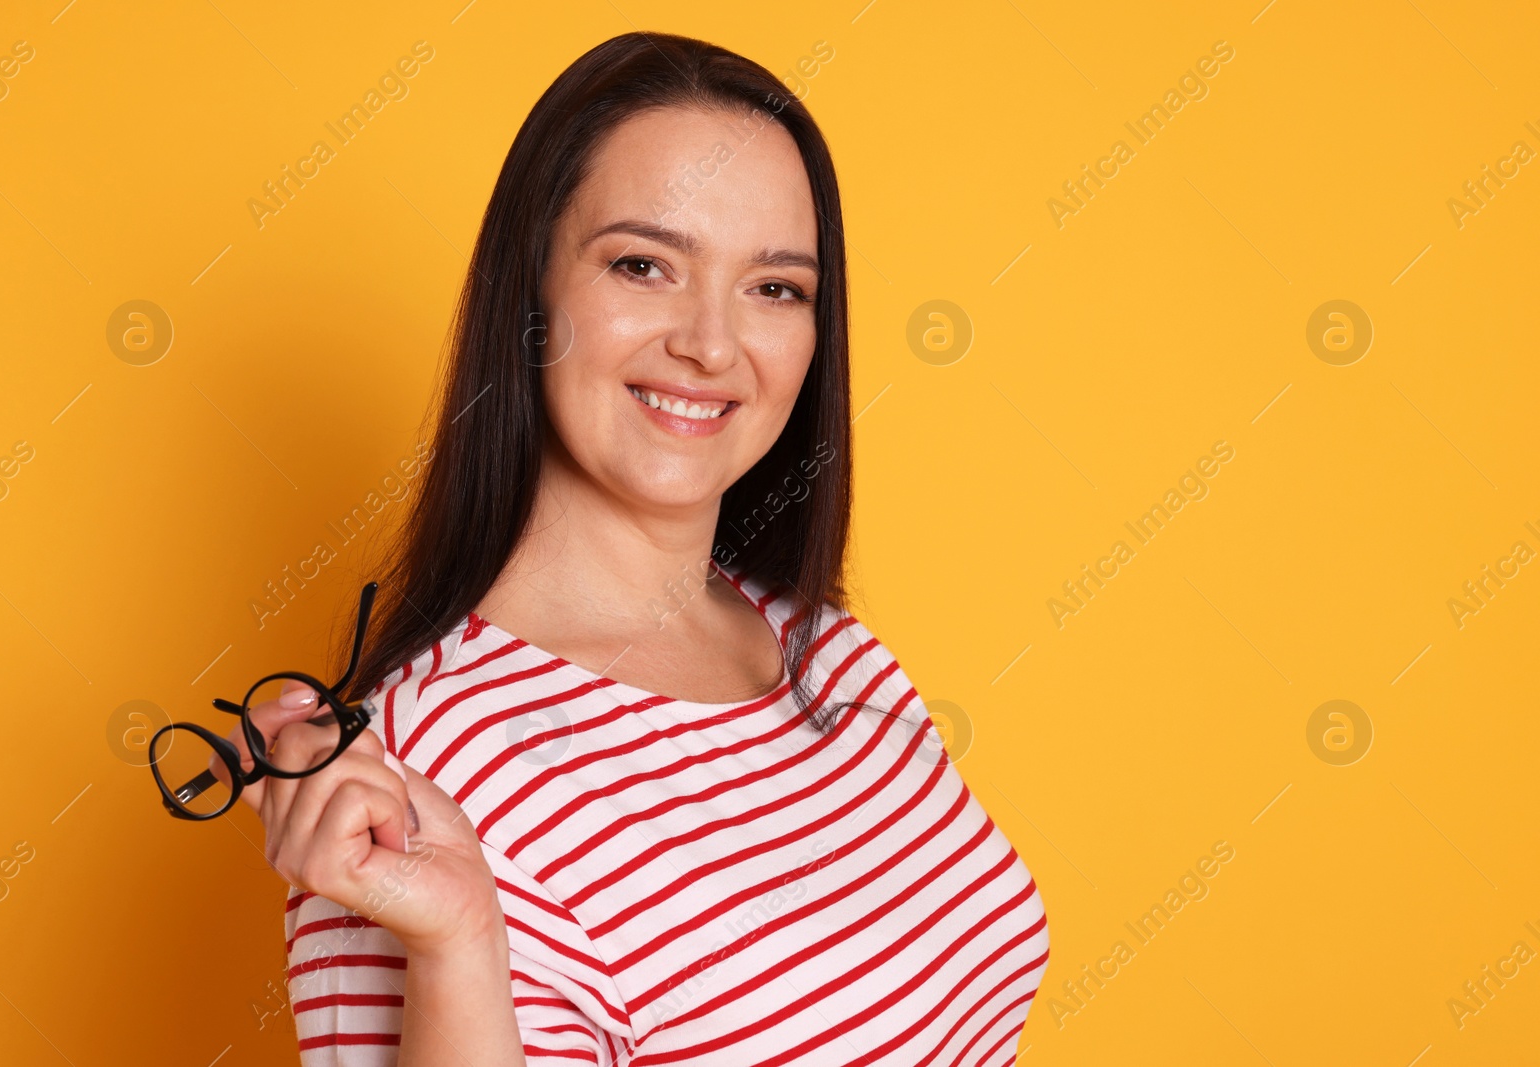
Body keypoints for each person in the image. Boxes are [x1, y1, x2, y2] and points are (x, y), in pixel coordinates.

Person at [233, 30, 1050, 1066]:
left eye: (774, 287)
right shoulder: (413, 773)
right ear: (529, 296)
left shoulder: (822, 645)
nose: (711, 343)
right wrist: (460, 938)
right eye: (642, 265)